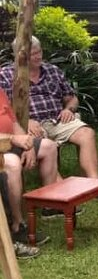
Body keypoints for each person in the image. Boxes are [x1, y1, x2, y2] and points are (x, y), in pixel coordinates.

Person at [0, 36, 98, 178]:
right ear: (19, 56)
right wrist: (25, 121)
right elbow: (5, 108)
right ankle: (59, 188)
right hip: (29, 124)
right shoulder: (6, 75)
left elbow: (71, 98)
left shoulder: (53, 71)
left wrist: (68, 109)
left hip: (57, 120)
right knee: (43, 144)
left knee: (87, 134)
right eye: (32, 54)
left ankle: (95, 183)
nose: (38, 57)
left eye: (39, 52)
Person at [0, 88, 56, 249]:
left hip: (11, 142)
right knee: (12, 163)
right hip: (3, 147)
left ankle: (49, 206)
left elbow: (13, 122)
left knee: (49, 147)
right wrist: (14, 139)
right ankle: (17, 225)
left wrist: (28, 144)